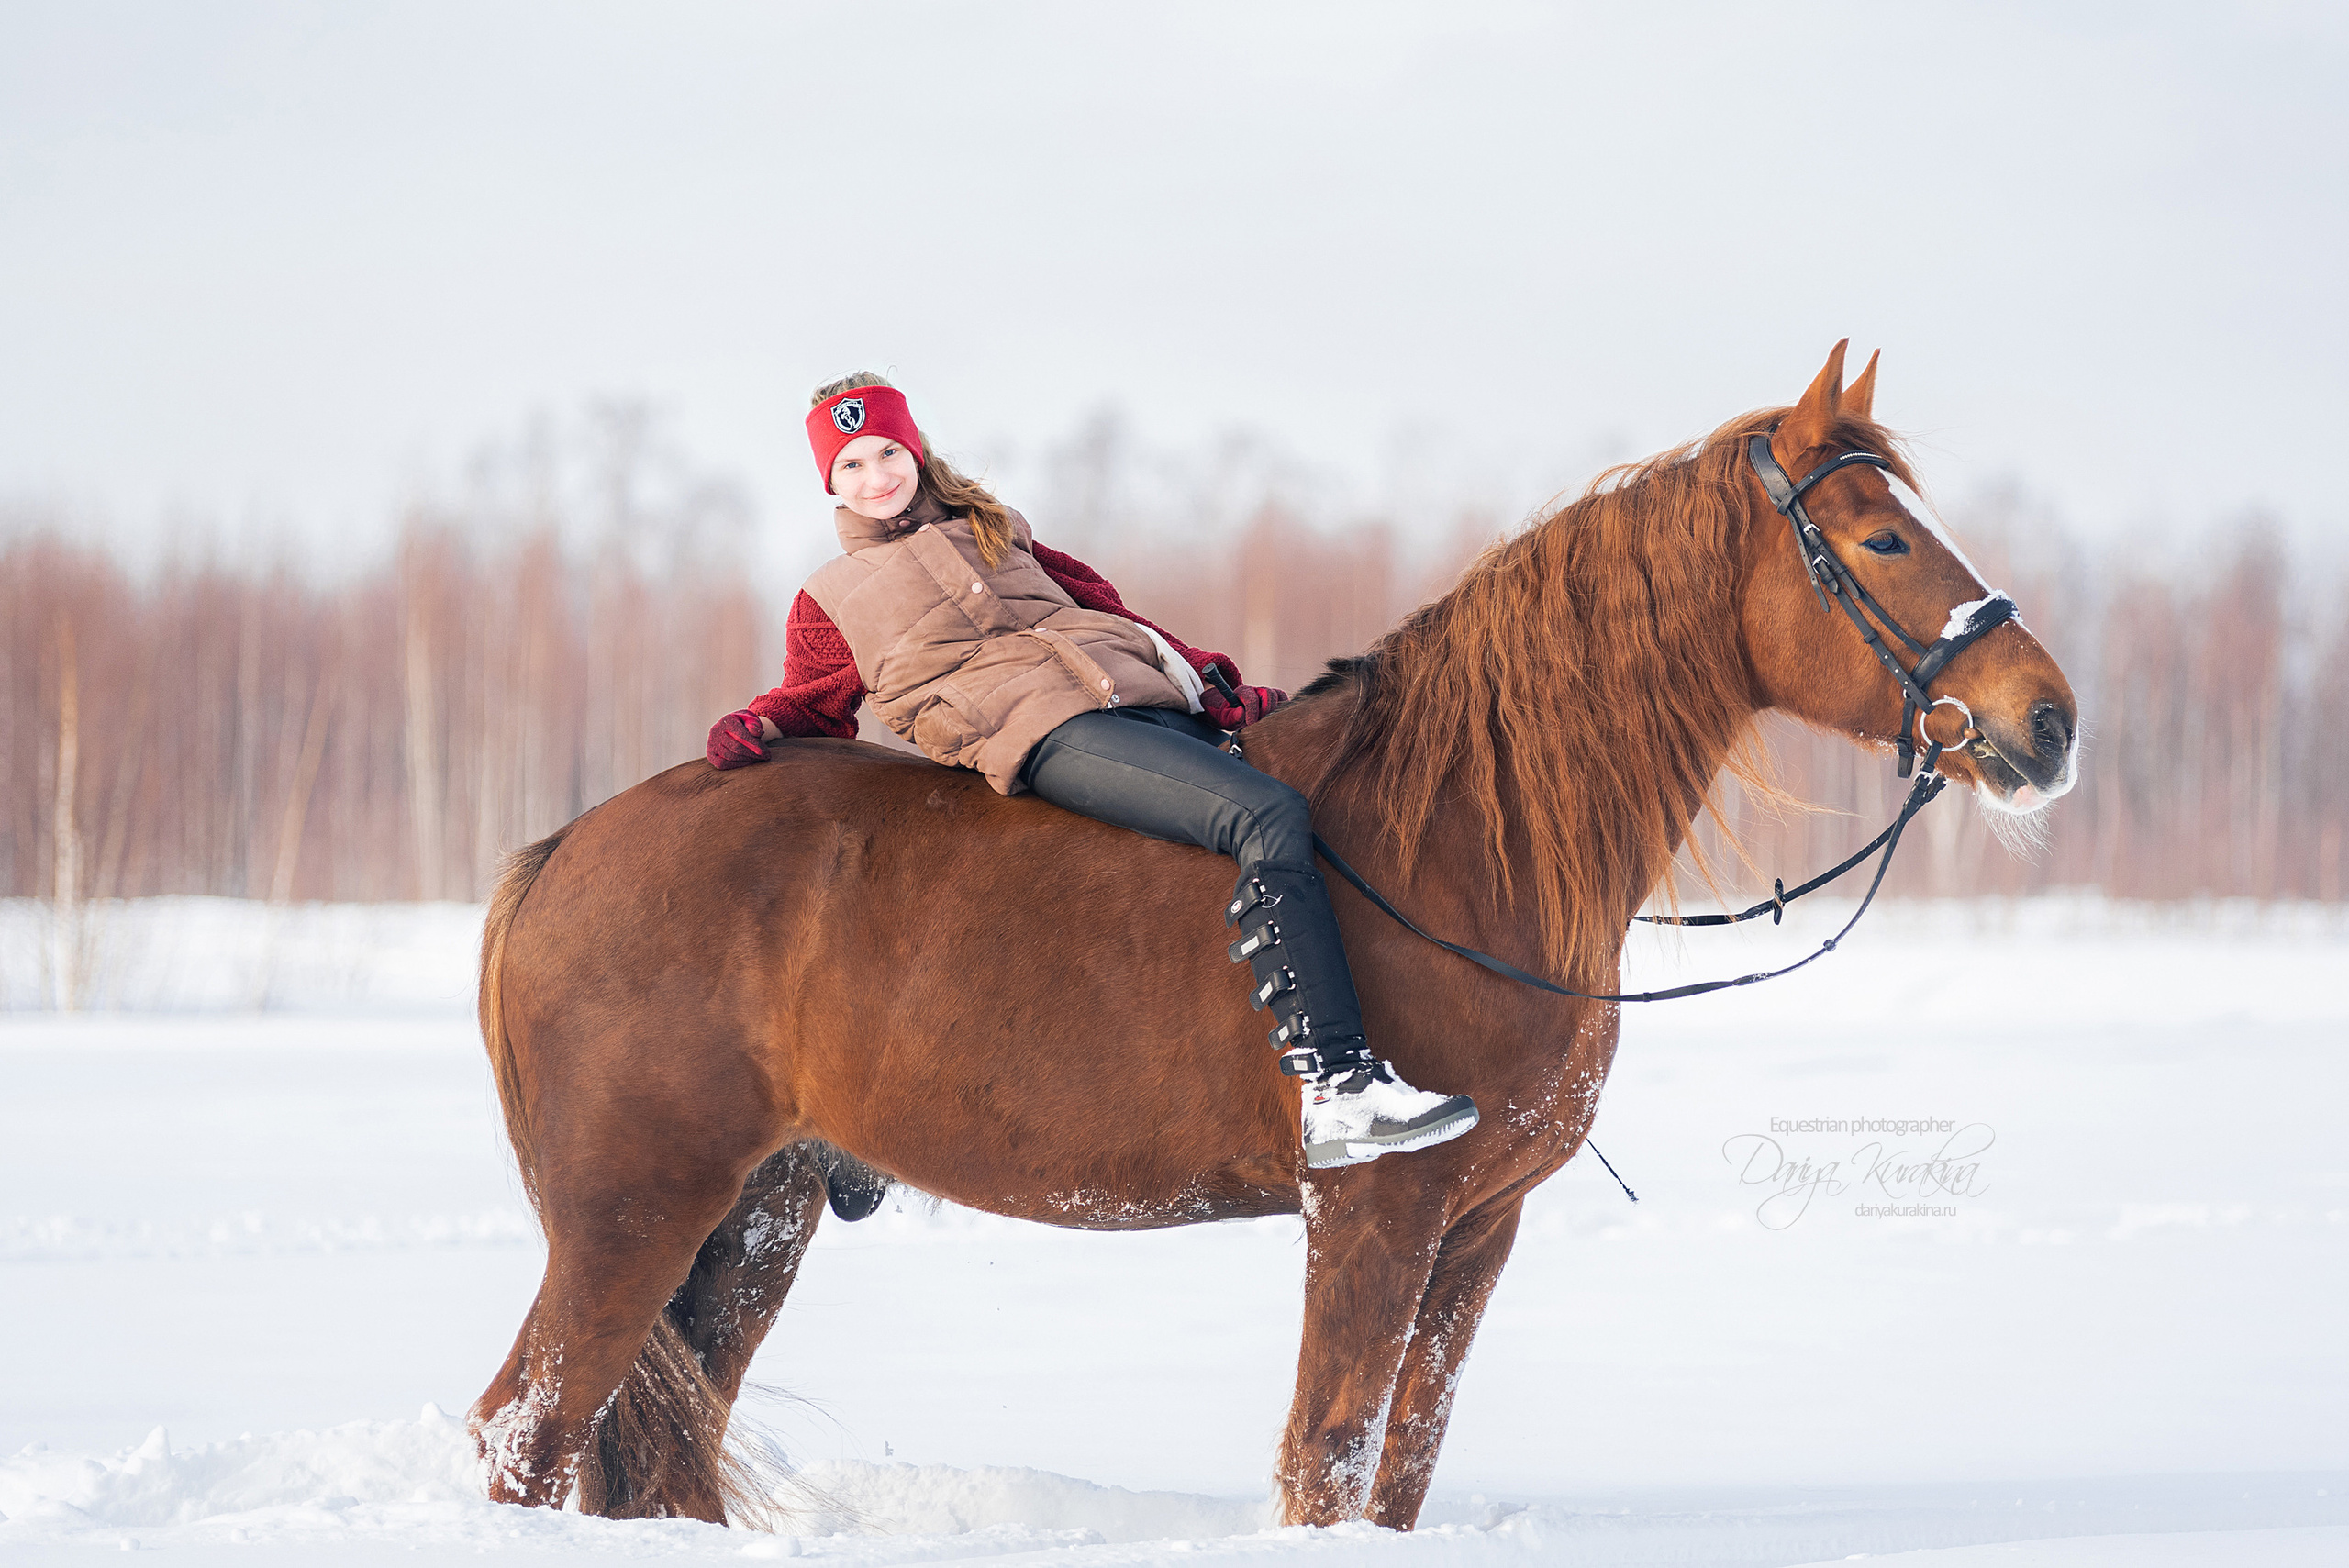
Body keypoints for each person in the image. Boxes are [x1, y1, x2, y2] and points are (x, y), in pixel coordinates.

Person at [707, 373, 1476, 1170]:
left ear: (916, 449)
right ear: (829, 482)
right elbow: (814, 701)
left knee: (1312, 792)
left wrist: (1215, 683)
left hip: (1137, 703)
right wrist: (757, 723)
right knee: (1265, 815)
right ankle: (1338, 1087)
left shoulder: (997, 531)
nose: (877, 478)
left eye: (888, 453)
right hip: (1042, 734)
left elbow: (1111, 613)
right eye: (853, 466)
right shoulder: (831, 598)